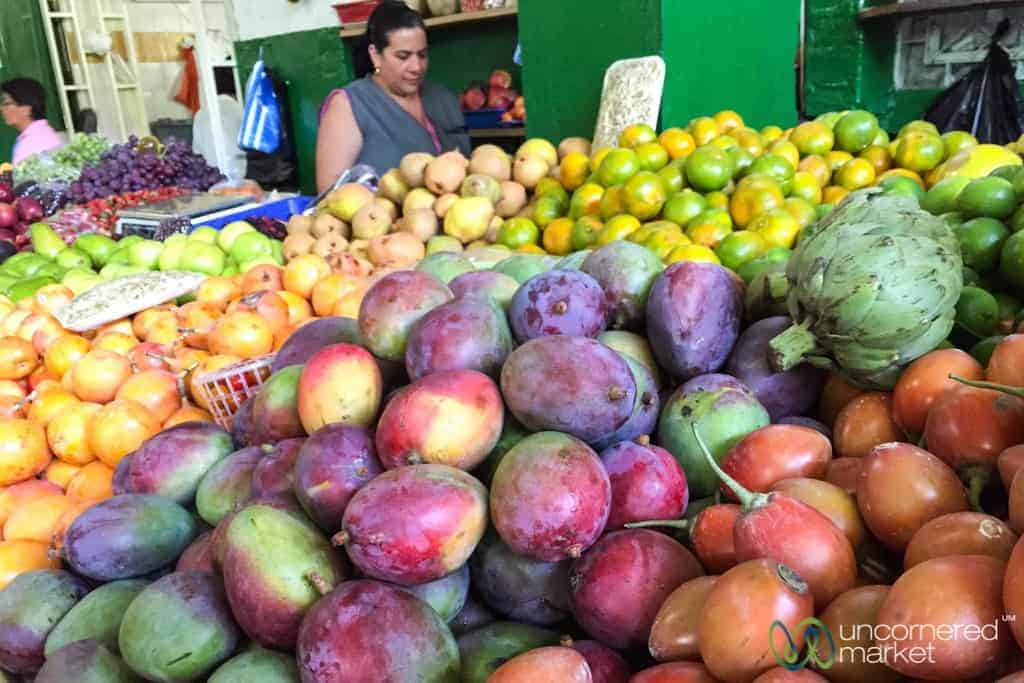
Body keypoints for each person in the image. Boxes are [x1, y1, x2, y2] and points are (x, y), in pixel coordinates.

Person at [316, 1, 470, 192]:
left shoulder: (442, 98)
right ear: (376, 55)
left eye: (422, 55)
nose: (417, 67)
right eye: (403, 57)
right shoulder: (348, 105)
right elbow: (329, 191)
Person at [2, 78, 63, 164]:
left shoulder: (33, 144)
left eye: (7, 103)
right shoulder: (40, 133)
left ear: (26, 109)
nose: (2, 109)